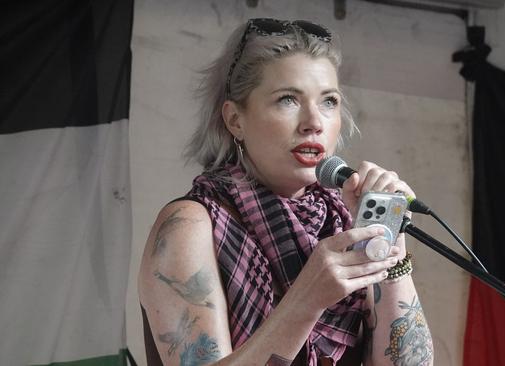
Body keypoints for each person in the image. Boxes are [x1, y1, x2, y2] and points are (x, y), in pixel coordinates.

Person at [138, 18, 434, 366]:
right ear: (235, 120)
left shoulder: (343, 222)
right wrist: (305, 300)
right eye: (288, 100)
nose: (314, 121)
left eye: (329, 101)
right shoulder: (189, 226)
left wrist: (392, 253)